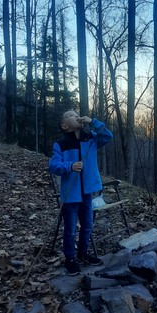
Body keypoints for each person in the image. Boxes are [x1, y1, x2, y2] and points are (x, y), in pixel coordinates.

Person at [49, 109, 113, 276]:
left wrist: (93, 122)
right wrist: (69, 166)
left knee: (87, 226)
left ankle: (83, 253)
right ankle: (70, 258)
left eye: (76, 113)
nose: (75, 115)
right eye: (70, 114)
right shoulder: (61, 144)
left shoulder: (90, 137)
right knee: (70, 230)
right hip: (70, 195)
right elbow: (53, 166)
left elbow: (107, 136)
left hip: (87, 192)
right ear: (65, 125)